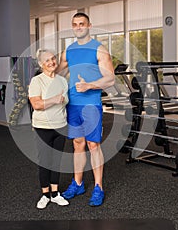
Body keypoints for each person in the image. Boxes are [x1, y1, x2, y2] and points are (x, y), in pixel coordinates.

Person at [57, 12, 115, 206]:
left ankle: (98, 187)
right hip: (73, 104)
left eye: (82, 23)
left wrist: (90, 85)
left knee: (93, 145)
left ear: (89, 26)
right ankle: (78, 183)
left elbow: (110, 78)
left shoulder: (99, 49)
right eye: (75, 24)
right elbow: (56, 72)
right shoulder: (69, 51)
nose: (78, 27)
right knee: (77, 145)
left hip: (91, 104)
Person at [29, 49, 69, 209]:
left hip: (61, 126)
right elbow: (36, 105)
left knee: (57, 161)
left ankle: (55, 193)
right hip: (42, 127)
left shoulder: (62, 80)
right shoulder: (37, 81)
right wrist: (54, 99)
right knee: (45, 162)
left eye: (53, 59)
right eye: (47, 60)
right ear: (41, 64)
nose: (51, 62)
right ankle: (45, 195)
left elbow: (66, 102)